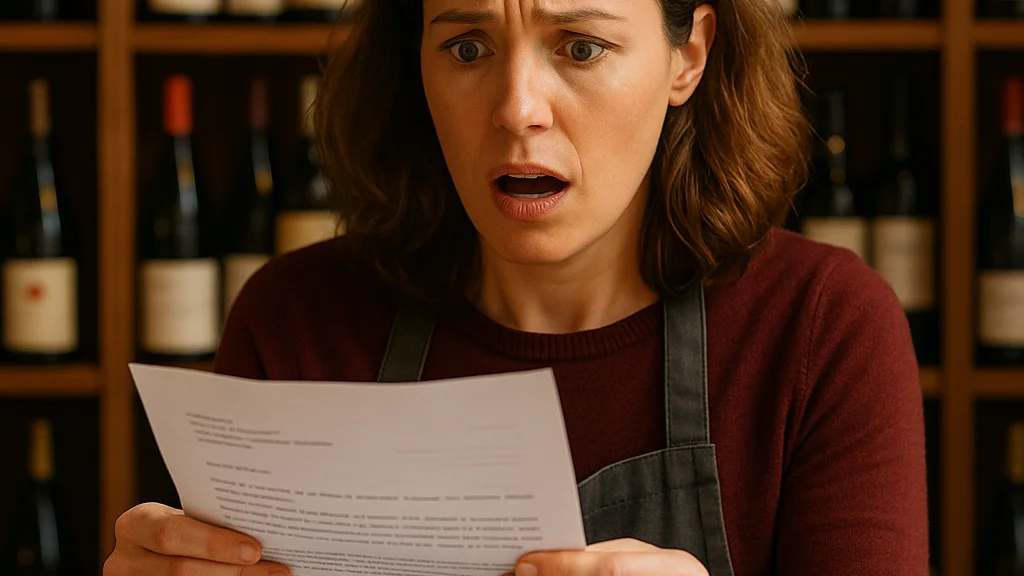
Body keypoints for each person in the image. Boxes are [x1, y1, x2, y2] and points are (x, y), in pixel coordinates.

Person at [104, 0, 930, 575]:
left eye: (580, 47)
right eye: (467, 48)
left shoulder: (822, 327)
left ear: (689, 55)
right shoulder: (295, 320)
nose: (516, 108)